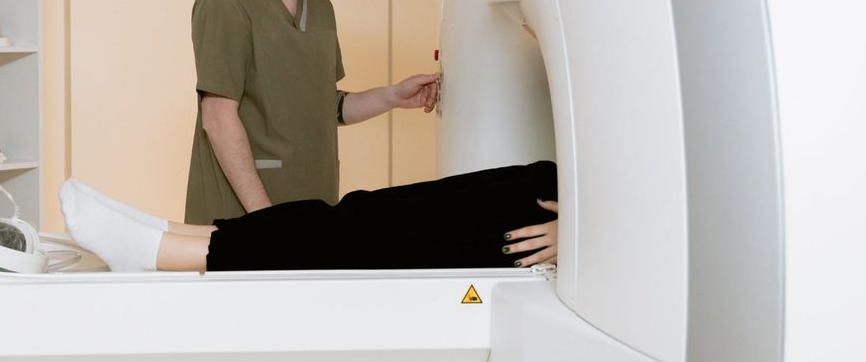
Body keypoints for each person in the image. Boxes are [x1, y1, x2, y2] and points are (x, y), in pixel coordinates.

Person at [187, 0, 441, 224]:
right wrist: (264, 220)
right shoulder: (226, 0)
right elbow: (218, 117)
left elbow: (328, 105)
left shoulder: (320, 6)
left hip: (312, 208)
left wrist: (393, 96)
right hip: (244, 216)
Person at [65, 160, 560, 273]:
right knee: (361, 210)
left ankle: (155, 252)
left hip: (554, 227)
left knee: (354, 237)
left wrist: (591, 233)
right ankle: (159, 234)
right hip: (555, 185)